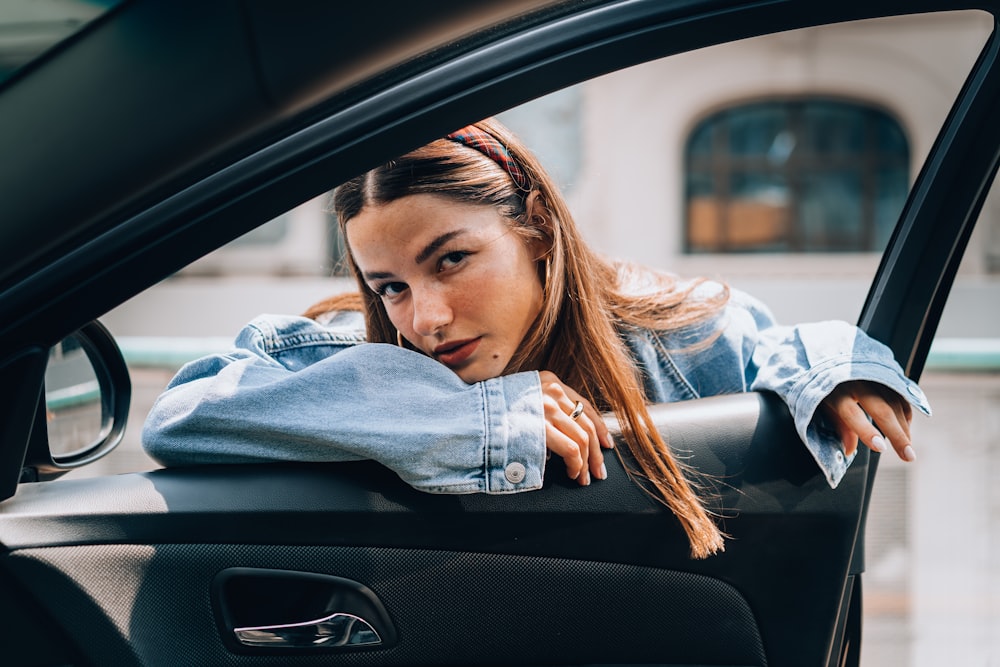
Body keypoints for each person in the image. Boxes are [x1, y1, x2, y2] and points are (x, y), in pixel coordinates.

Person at [142, 118, 930, 559]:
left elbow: (788, 346)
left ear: (540, 232)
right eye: (391, 286)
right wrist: (469, 419)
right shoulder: (357, 353)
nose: (426, 319)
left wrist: (839, 376)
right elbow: (188, 411)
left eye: (451, 260)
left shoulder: (676, 340)